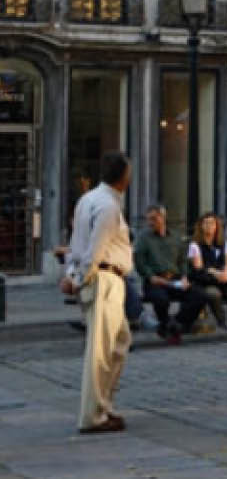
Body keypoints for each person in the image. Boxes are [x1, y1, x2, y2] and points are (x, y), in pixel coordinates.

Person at [60, 152, 133, 433]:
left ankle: (103, 405)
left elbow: (75, 243)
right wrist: (77, 278)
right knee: (101, 352)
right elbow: (94, 250)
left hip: (99, 278)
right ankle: (94, 415)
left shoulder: (88, 200)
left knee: (118, 342)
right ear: (123, 176)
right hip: (104, 279)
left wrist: (72, 274)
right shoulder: (107, 207)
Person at [134, 205, 207, 343]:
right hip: (155, 281)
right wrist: (150, 276)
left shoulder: (175, 236)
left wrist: (185, 276)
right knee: (161, 300)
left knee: (200, 296)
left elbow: (183, 260)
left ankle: (174, 324)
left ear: (163, 218)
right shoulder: (143, 238)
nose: (150, 223)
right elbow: (139, 262)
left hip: (175, 279)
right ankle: (168, 326)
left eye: (154, 219)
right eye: (148, 219)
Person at [187, 213, 227, 330]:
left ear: (217, 226)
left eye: (212, 223)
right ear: (201, 226)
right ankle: (222, 322)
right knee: (214, 294)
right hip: (205, 281)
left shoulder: (224, 243)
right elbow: (199, 267)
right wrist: (216, 273)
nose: (209, 226)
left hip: (224, 279)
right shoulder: (195, 245)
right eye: (206, 223)